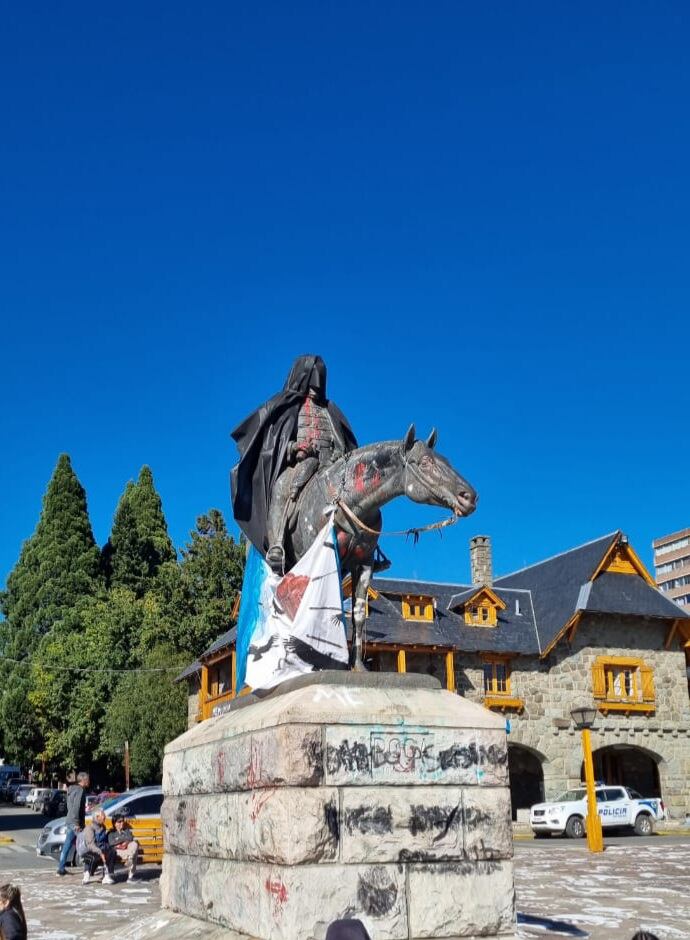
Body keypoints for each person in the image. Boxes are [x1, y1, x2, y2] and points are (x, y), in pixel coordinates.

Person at [231, 354, 357, 573]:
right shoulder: (289, 407)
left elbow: (343, 442)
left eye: (320, 387)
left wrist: (340, 456)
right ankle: (277, 545)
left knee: (362, 495)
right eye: (312, 386)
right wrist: (293, 449)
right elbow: (275, 444)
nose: (316, 391)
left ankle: (366, 551)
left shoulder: (331, 411)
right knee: (282, 486)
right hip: (302, 463)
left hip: (332, 466)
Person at [56, 770, 89, 876]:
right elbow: (76, 806)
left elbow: (70, 806)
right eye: (88, 779)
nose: (89, 781)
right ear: (83, 780)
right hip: (75, 822)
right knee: (86, 843)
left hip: (70, 820)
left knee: (67, 845)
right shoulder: (80, 790)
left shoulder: (71, 789)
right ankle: (88, 868)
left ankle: (61, 869)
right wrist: (77, 823)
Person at [82, 809, 117, 885]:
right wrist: (100, 852)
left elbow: (104, 841)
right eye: (103, 816)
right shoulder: (89, 828)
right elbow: (90, 845)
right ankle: (87, 873)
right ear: (97, 817)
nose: (105, 817)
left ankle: (107, 876)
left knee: (111, 851)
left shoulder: (103, 827)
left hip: (101, 848)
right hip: (90, 851)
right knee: (107, 852)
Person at [108, 814, 140, 882]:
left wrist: (125, 843)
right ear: (115, 823)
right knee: (133, 854)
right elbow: (111, 842)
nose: (122, 823)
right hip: (118, 852)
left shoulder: (126, 830)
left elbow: (130, 837)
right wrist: (123, 841)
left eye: (122, 821)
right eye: (119, 822)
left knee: (134, 844)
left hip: (128, 850)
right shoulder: (111, 832)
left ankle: (129, 860)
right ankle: (130, 858)